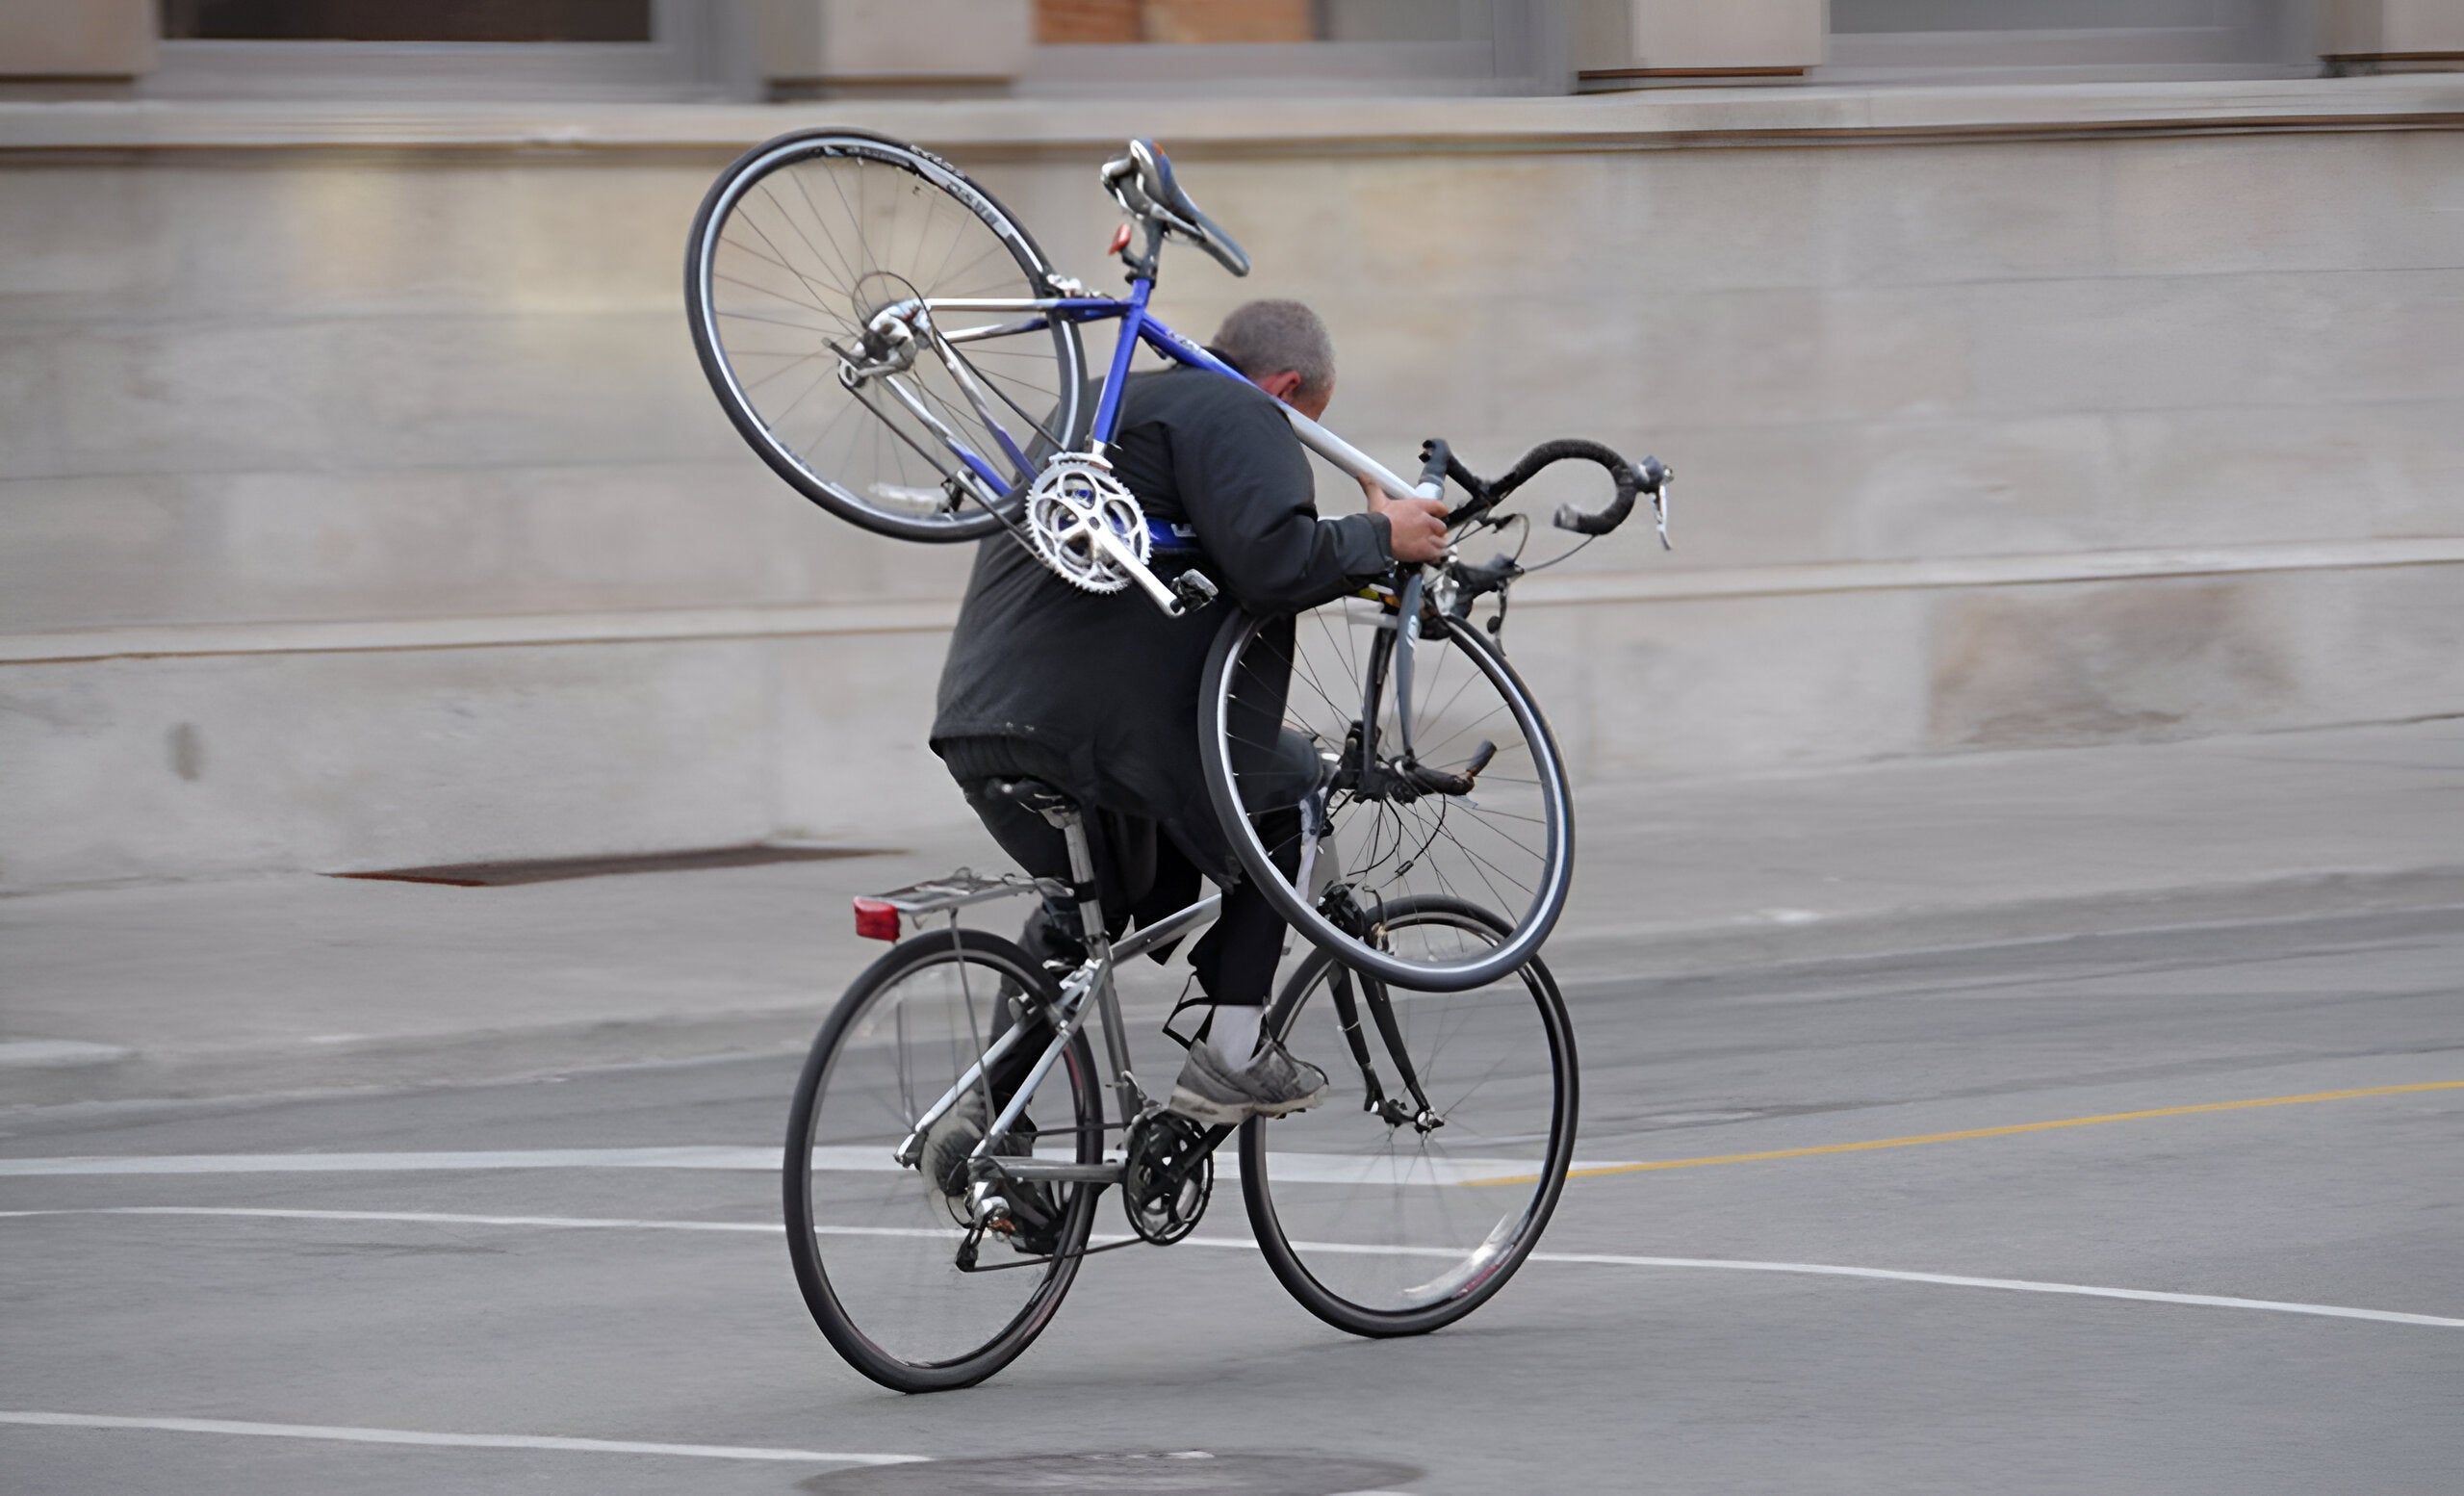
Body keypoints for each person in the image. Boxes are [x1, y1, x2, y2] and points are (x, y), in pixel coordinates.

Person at [929, 299, 1450, 1147]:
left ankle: (988, 1127)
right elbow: (1273, 561)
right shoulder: (1241, 408)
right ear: (1286, 386)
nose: (1297, 435)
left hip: (982, 719)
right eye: (1305, 419)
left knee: (1082, 909)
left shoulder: (1096, 402)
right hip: (1113, 728)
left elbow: (1199, 555)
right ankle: (1233, 1054)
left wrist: (1359, 548)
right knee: (1295, 792)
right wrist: (1379, 534)